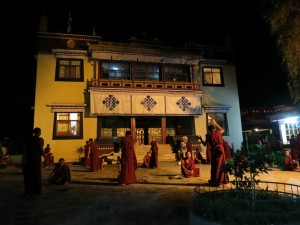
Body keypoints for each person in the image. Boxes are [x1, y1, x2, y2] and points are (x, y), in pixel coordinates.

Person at [200, 120, 229, 187]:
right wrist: (215, 123)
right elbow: (223, 130)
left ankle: (215, 181)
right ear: (214, 128)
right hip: (221, 151)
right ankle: (220, 181)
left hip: (214, 152)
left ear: (209, 130)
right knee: (220, 166)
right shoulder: (218, 132)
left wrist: (200, 139)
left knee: (215, 167)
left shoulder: (208, 135)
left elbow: (204, 144)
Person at [22, 127, 46, 198]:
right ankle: (36, 193)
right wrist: (45, 158)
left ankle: (27, 192)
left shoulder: (28, 140)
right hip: (35, 161)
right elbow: (41, 150)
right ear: (39, 133)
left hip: (28, 161)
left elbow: (25, 150)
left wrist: (24, 160)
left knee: (28, 177)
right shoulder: (39, 140)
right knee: (36, 177)